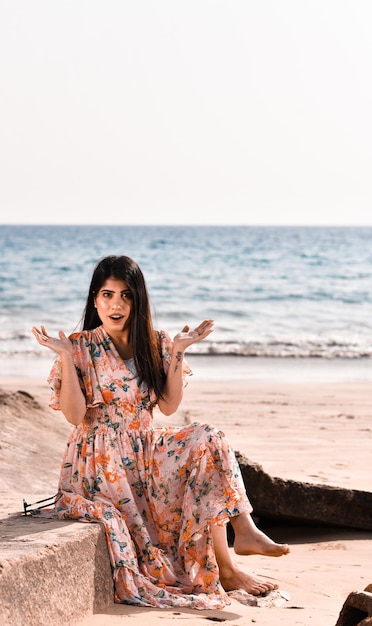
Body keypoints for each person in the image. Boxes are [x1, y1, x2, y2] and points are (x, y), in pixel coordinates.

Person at [32, 255, 289, 610]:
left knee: (208, 438)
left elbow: (167, 406)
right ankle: (228, 566)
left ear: (138, 300)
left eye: (126, 295)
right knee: (200, 451)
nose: (116, 304)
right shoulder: (79, 346)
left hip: (145, 447)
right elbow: (75, 417)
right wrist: (64, 357)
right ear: (95, 299)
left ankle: (242, 535)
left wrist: (178, 353)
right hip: (101, 460)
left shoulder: (156, 342)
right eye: (107, 295)